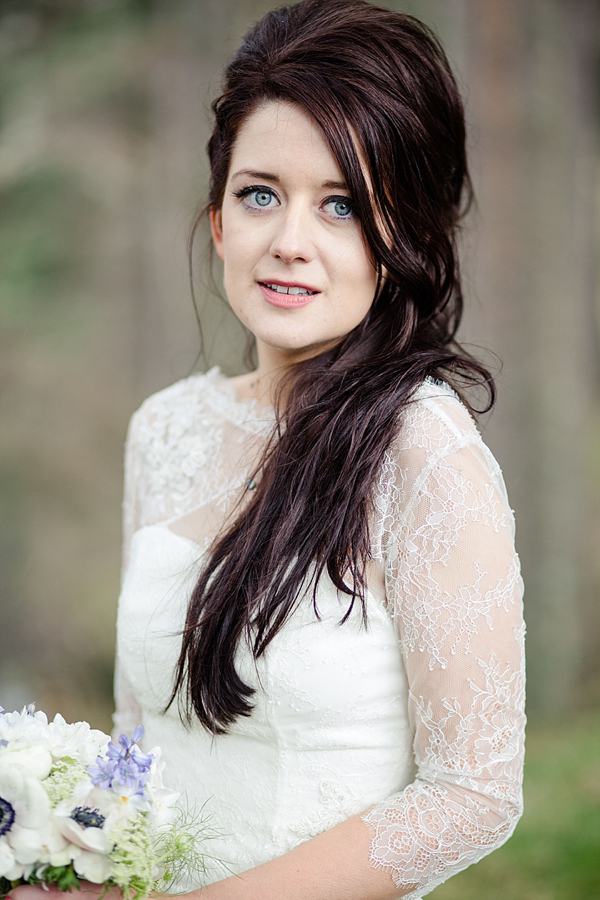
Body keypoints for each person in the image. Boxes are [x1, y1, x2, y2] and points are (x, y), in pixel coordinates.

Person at [13, 1, 526, 898]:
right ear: (218, 221)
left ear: (402, 237)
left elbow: (472, 795)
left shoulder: (426, 458)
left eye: (342, 206)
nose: (290, 242)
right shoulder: (165, 427)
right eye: (261, 195)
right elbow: (145, 736)